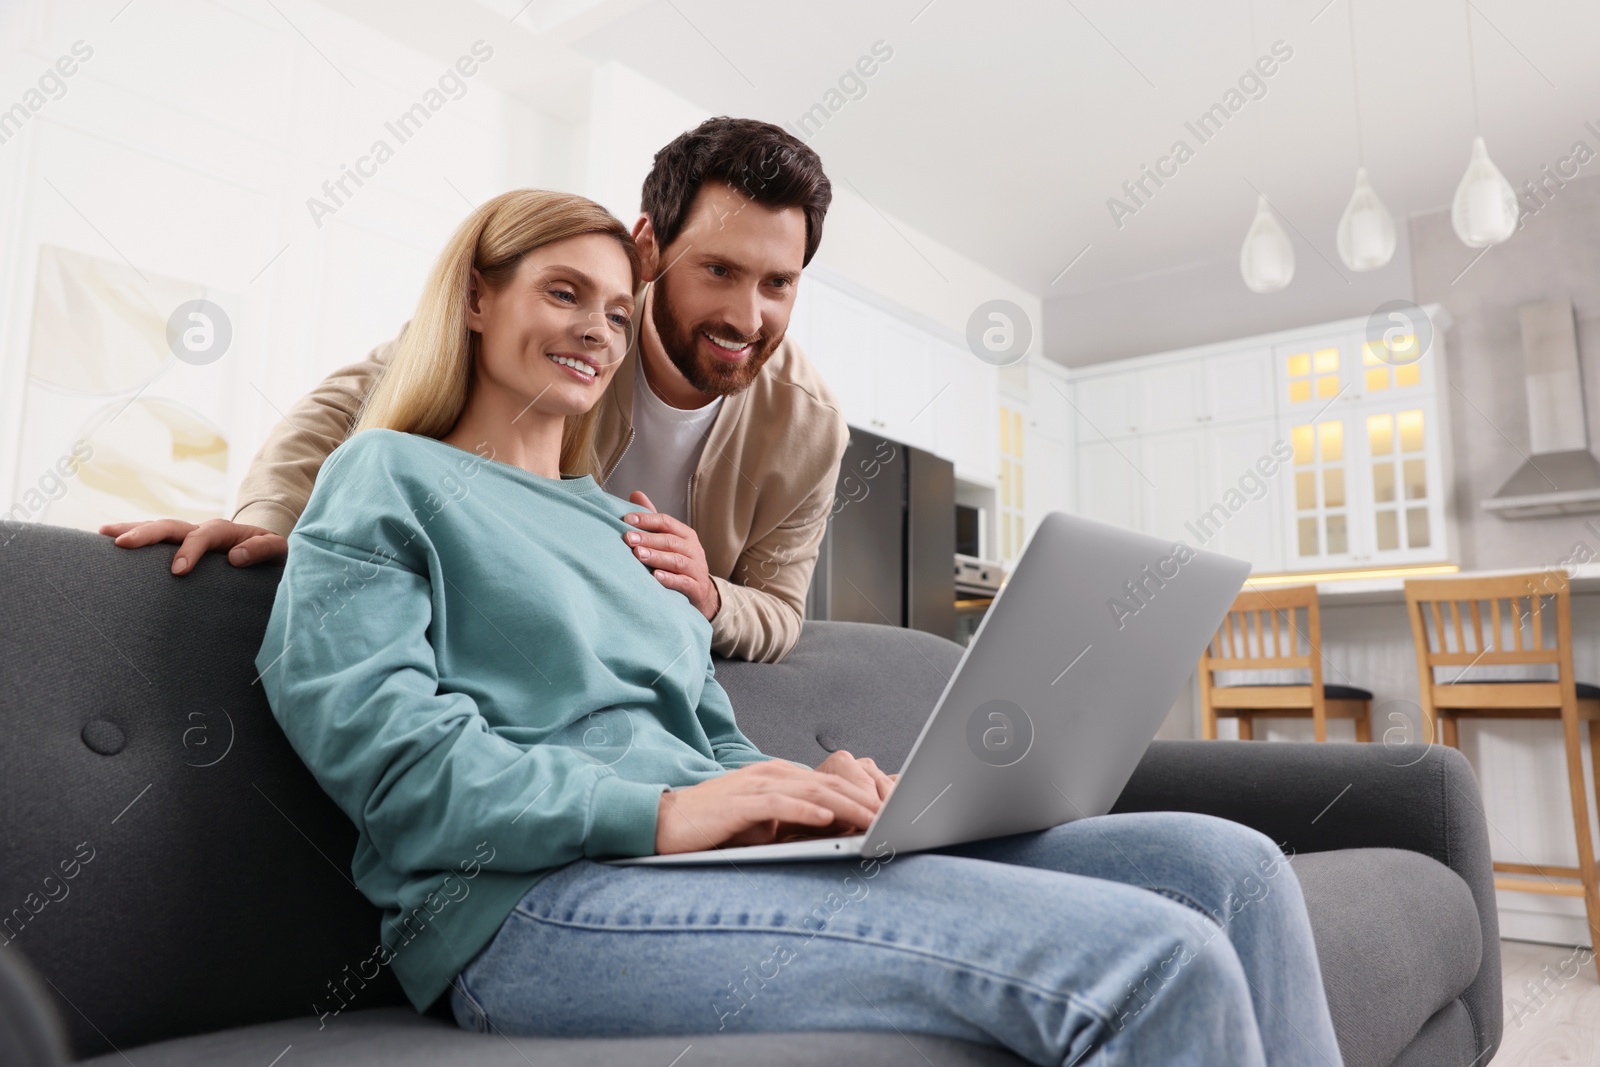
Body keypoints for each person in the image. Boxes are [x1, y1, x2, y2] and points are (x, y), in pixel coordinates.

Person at [255, 187, 1344, 1067]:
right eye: (563, 293)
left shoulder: (634, 527)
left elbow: (701, 731)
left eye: (617, 312)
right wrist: (664, 811)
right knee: (1153, 957)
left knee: (1229, 863)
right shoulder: (385, 478)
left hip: (695, 863)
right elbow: (394, 766)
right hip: (528, 908)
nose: (597, 329)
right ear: (479, 300)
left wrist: (805, 792)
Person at [101, 117, 848, 663]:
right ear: (648, 246)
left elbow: (780, 611)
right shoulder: (573, 329)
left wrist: (710, 597)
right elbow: (348, 402)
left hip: (621, 669)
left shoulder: (811, 430)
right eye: (718, 270)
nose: (748, 316)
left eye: (778, 283)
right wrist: (274, 523)